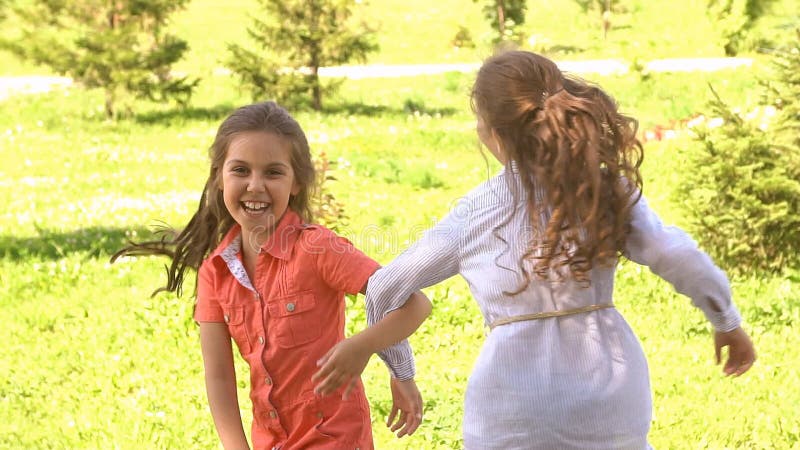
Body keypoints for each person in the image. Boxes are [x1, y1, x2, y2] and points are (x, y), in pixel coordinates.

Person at [312, 51, 756, 449]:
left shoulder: (475, 212)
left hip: (510, 408)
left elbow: (385, 288)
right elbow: (675, 254)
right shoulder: (601, 190)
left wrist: (401, 372)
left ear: (491, 134)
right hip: (608, 397)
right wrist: (725, 320)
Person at [113, 101, 430, 450]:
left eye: (273, 173)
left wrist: (361, 348)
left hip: (334, 438)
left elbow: (414, 303)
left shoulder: (317, 248)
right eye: (241, 171)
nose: (255, 185)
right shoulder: (215, 274)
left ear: (297, 183)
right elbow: (219, 375)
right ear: (219, 176)